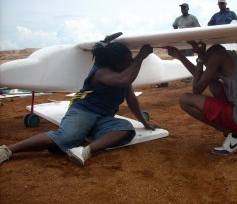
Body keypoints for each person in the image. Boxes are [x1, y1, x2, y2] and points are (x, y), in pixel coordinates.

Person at [0, 36, 158, 166]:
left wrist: (144, 123)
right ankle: (8, 150)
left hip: (103, 117)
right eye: (127, 59)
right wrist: (141, 57)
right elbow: (123, 80)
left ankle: (84, 151)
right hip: (83, 112)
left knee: (125, 128)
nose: (130, 61)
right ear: (115, 63)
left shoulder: (119, 70)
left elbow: (131, 99)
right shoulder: (102, 72)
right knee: (66, 138)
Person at [163, 41, 237, 155]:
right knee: (213, 84)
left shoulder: (217, 57)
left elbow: (197, 89)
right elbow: (202, 78)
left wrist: (200, 59)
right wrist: (181, 57)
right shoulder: (230, 57)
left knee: (184, 100)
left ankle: (236, 135)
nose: (206, 67)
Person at [172, 3, 201, 83]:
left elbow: (198, 29)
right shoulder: (178, 19)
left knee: (189, 59)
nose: (182, 9)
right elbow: (174, 25)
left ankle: (189, 77)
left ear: (188, 8)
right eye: (181, 8)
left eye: (184, 8)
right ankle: (183, 76)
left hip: (190, 42)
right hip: (182, 43)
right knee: (182, 59)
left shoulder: (193, 18)